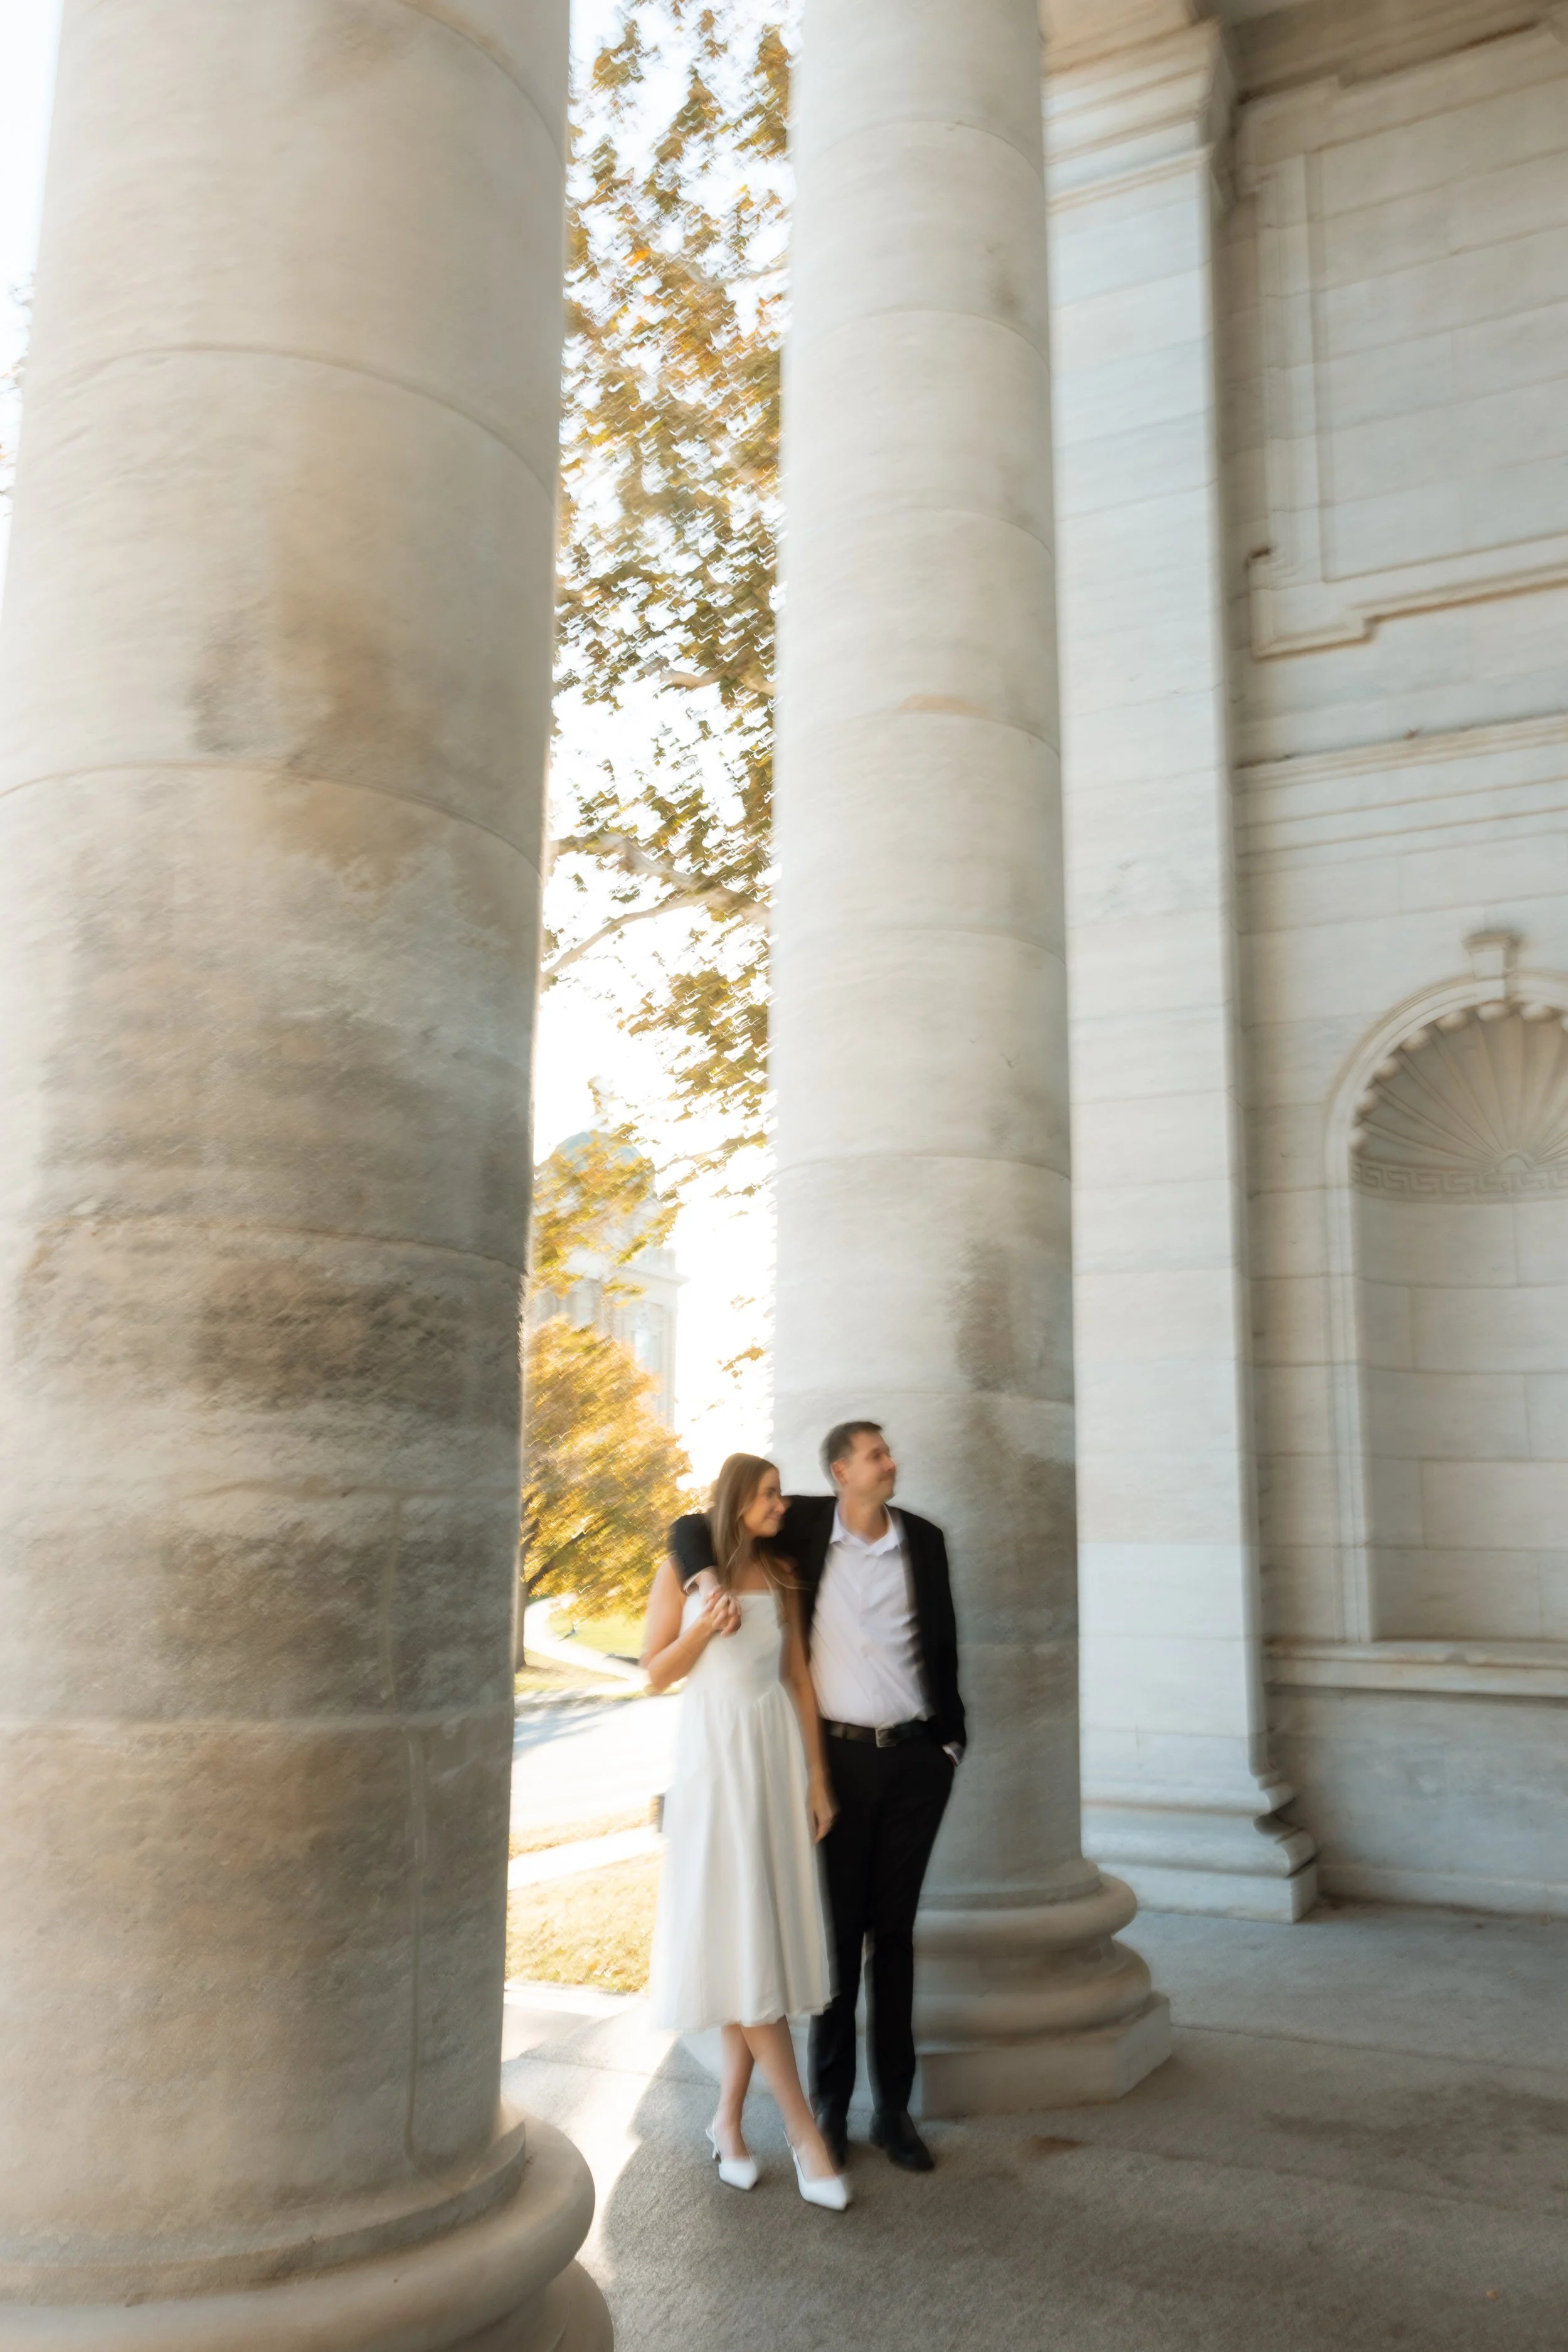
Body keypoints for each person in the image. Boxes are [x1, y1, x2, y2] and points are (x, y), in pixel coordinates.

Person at [670, 1421, 963, 2175]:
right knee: (835, 1938)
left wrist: (948, 1743)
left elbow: (943, 1642)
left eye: (888, 1454)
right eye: (876, 1455)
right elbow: (690, 1524)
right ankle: (828, 2112)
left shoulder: (923, 1539)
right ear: (840, 1472)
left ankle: (892, 2111)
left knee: (894, 1937)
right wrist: (704, 1584)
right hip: (834, 1759)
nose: (891, 1463)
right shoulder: (798, 1523)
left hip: (915, 1763)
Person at [642, 1453, 850, 2211]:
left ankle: (727, 2123)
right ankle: (804, 2134)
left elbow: (798, 1679)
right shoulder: (682, 1573)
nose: (780, 1505)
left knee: (750, 1944)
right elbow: (655, 1671)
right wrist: (705, 1623)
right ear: (736, 1501)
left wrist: (817, 1781)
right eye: (766, 1495)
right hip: (712, 1767)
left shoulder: (786, 1575)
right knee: (745, 1941)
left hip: (771, 1763)